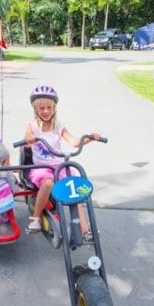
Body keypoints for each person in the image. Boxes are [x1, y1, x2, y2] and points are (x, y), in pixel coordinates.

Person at [23, 85, 100, 238]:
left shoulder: (59, 126)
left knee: (75, 191)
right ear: (36, 110)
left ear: (54, 108)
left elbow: (74, 142)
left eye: (49, 107)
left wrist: (90, 137)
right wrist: (29, 138)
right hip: (42, 167)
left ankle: (85, 231)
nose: (46, 111)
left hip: (59, 166)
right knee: (47, 183)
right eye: (42, 108)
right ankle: (36, 218)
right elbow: (27, 139)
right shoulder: (32, 126)